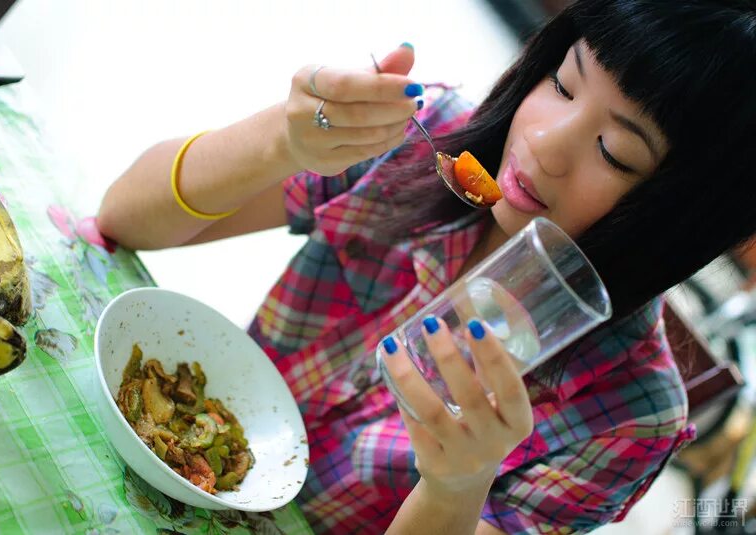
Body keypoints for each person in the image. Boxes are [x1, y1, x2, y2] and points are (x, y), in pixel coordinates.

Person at [97, 1, 756, 533]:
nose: (545, 144)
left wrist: (456, 485)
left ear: (680, 214)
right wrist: (280, 140)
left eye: (613, 150)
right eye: (563, 82)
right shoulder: (428, 137)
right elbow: (124, 216)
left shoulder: (629, 413)